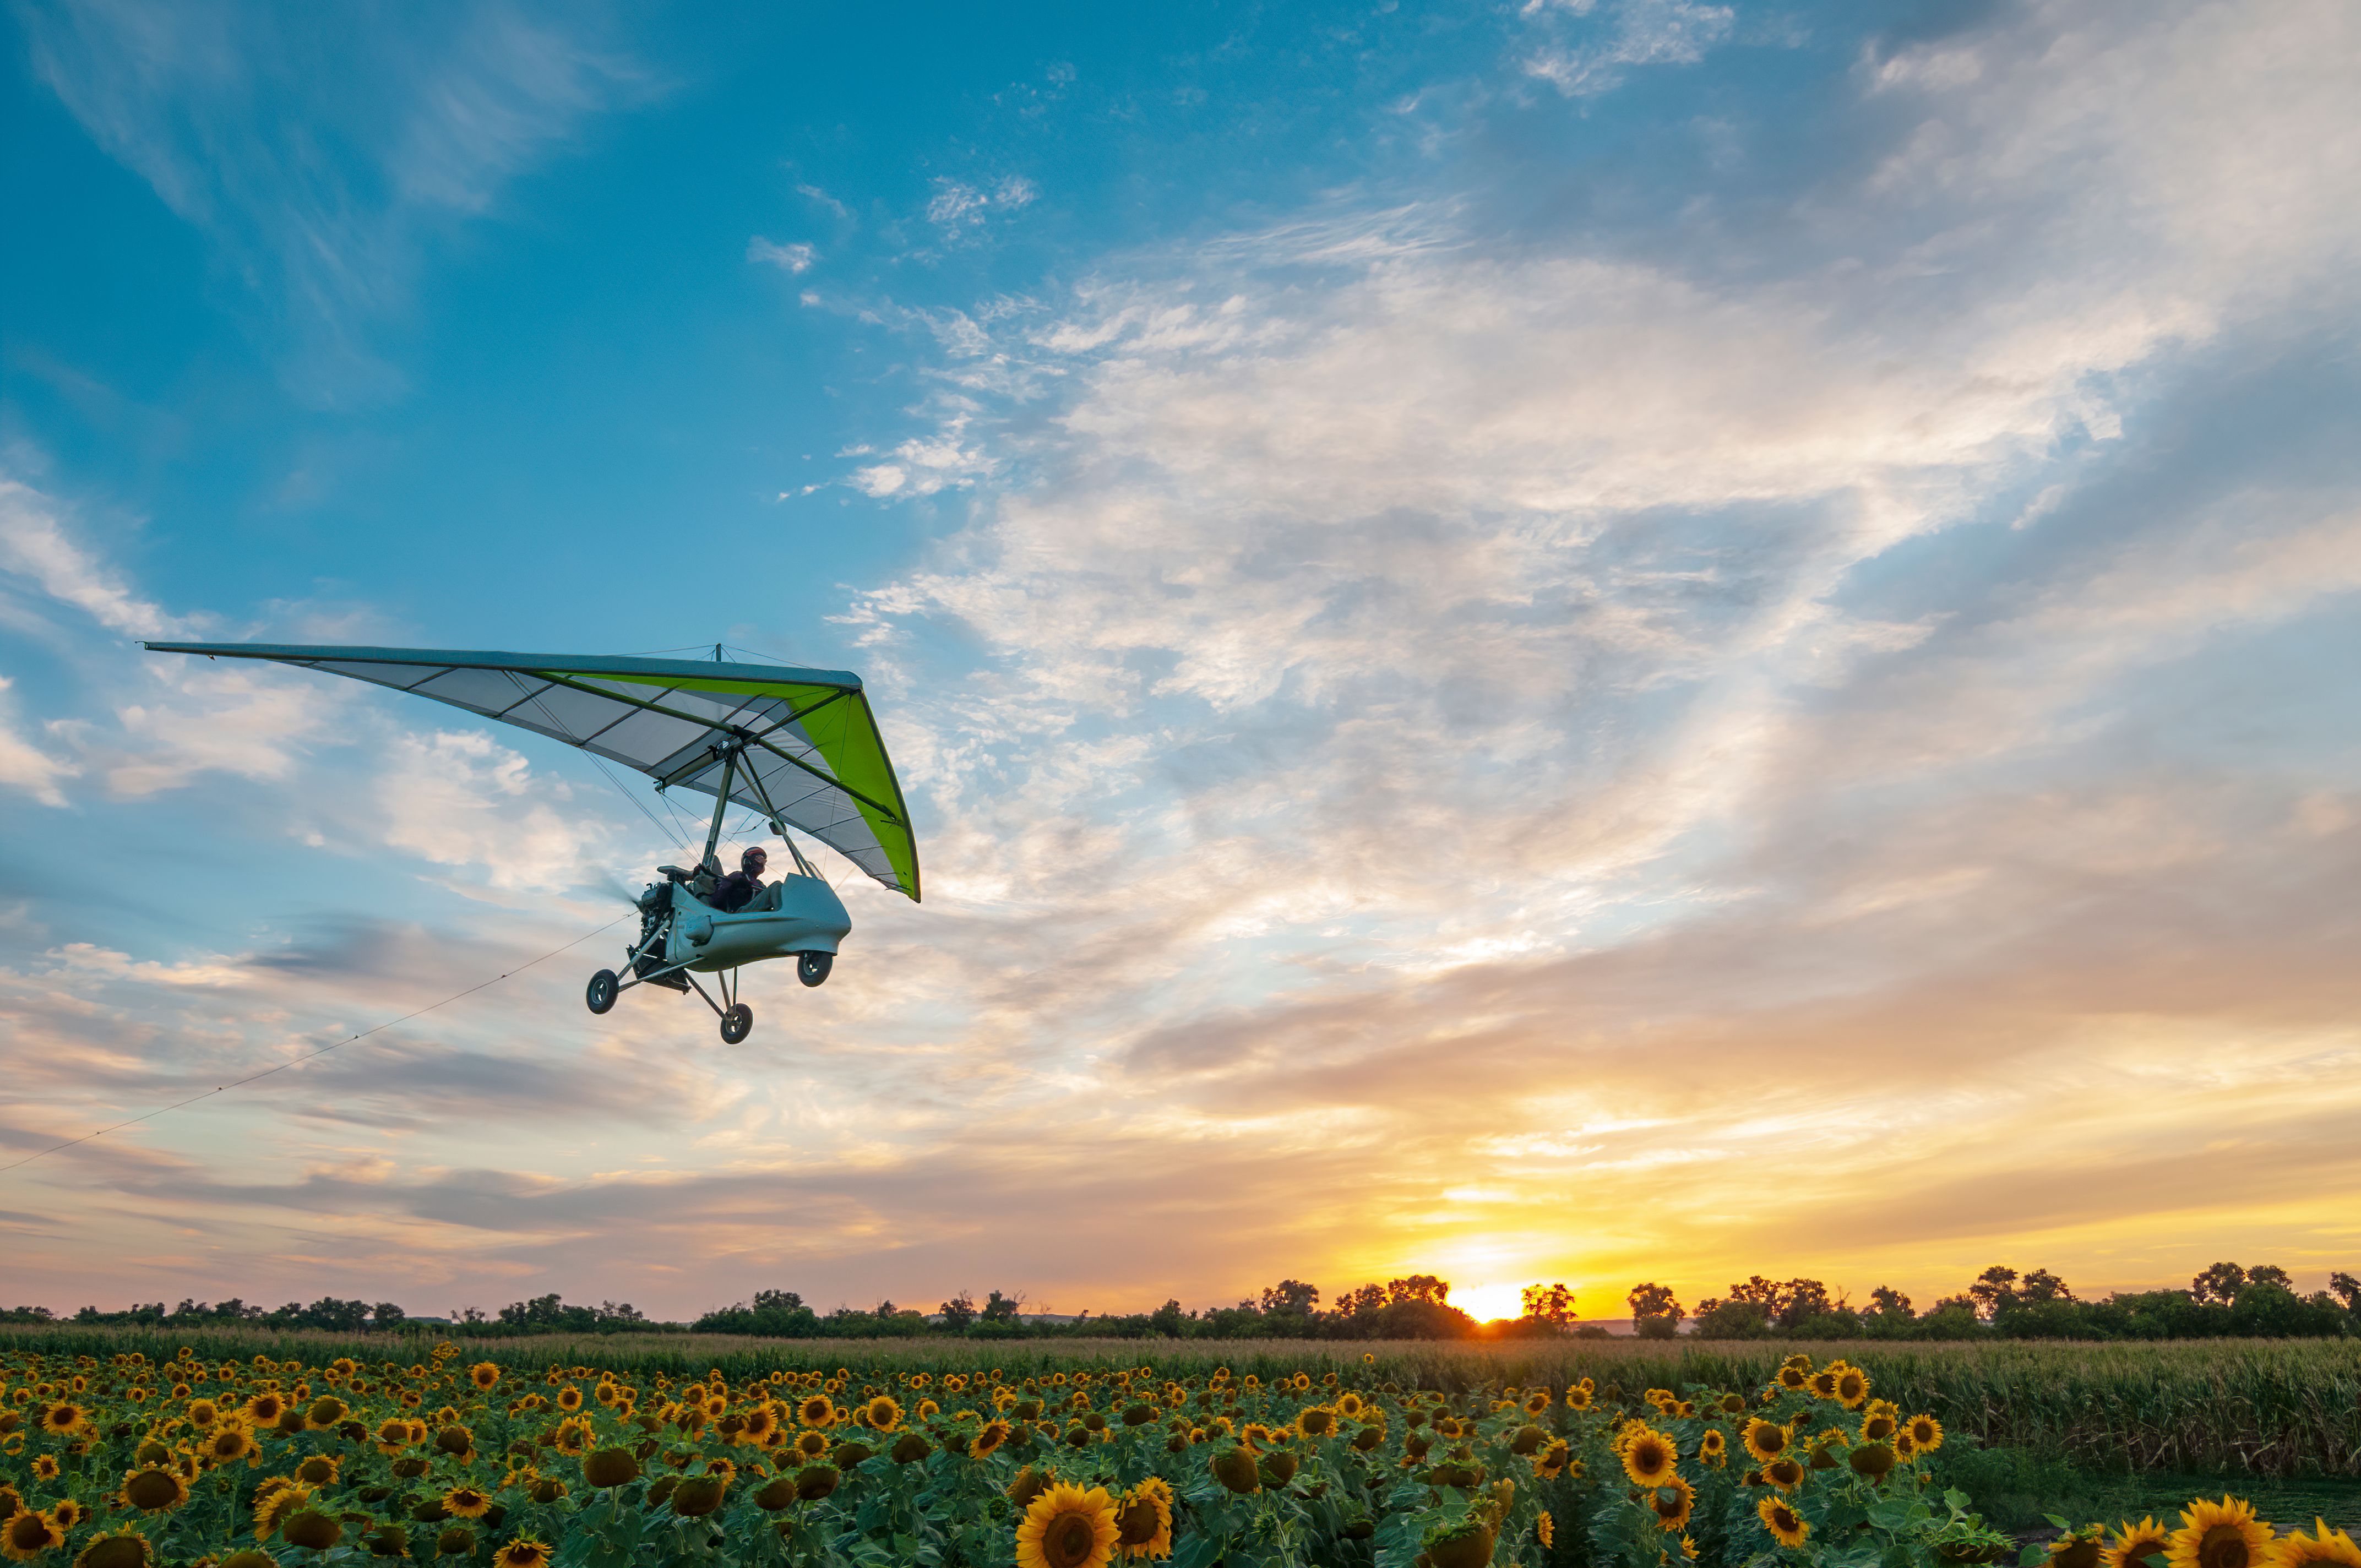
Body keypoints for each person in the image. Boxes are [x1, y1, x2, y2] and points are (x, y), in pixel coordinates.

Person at [708, 846, 769, 913]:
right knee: (776, 886)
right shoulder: (738, 876)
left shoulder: (761, 884)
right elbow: (717, 899)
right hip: (741, 912)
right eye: (760, 859)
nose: (762, 864)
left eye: (764, 861)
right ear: (748, 861)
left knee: (776, 888)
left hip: (759, 913)